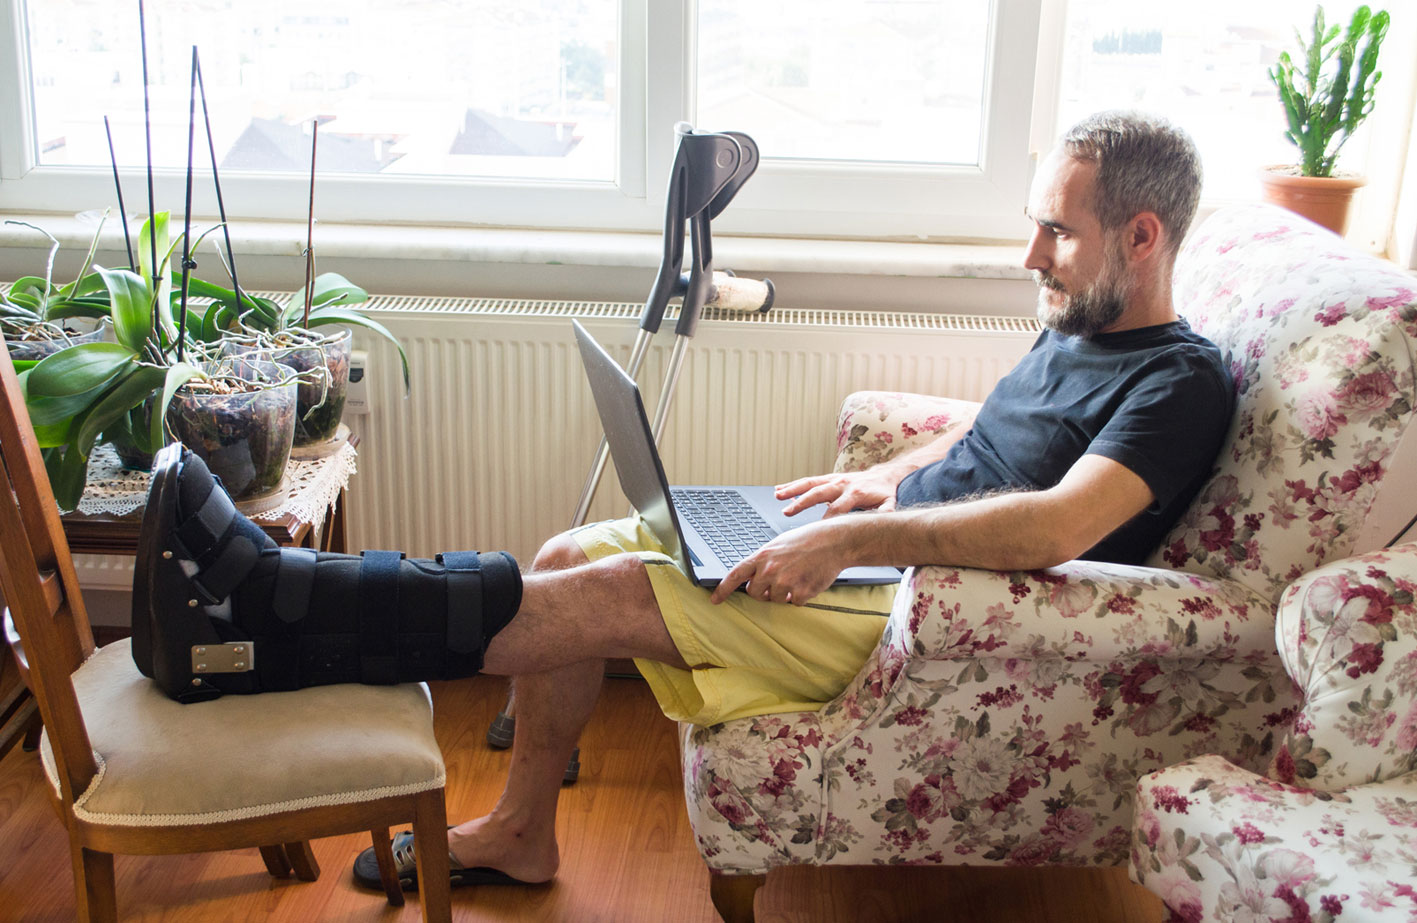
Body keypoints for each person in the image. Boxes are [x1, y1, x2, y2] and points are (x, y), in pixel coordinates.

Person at [135, 110, 1234, 891]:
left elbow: (1057, 523)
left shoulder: (1176, 382)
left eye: (1059, 231)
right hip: (876, 552)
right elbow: (995, 428)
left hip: (930, 616)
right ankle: (521, 831)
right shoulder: (1077, 326)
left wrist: (855, 529)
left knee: (609, 588)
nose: (1029, 253)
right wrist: (887, 471)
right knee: (569, 550)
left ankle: (265, 607)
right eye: (1036, 223)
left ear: (1141, 238)